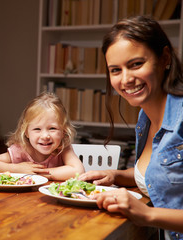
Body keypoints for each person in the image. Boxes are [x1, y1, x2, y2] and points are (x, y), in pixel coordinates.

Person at [78, 16, 183, 239]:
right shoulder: (145, 116)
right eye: (115, 70)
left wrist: (148, 215)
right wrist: (114, 175)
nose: (125, 79)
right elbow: (161, 175)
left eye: (136, 64)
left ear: (164, 58)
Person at [0, 92, 85, 181]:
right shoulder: (21, 149)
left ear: (63, 131)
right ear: (26, 132)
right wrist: (17, 169)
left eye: (52, 128)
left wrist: (41, 174)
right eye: (37, 129)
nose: (45, 136)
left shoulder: (63, 148)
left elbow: (78, 171)